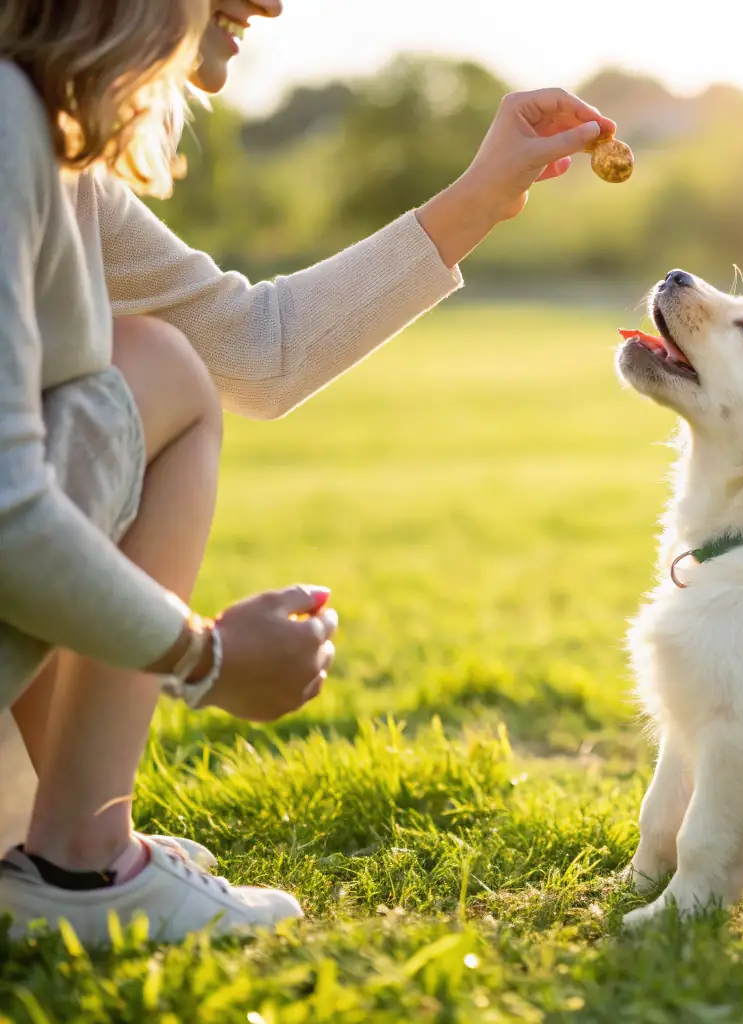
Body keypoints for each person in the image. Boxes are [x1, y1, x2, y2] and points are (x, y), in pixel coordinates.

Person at [0, 0, 615, 945]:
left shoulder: (50, 146)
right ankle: (81, 868)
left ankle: (64, 842)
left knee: (151, 363)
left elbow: (260, 351)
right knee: (158, 369)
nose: (271, 4)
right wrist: (205, 661)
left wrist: (482, 195)